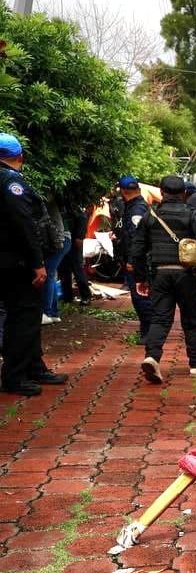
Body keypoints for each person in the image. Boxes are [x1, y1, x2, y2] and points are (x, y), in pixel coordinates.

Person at [132, 175, 196, 383]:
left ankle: (152, 357)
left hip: (160, 273)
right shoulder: (192, 214)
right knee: (191, 320)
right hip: (187, 275)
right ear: (184, 193)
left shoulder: (150, 215)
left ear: (162, 192)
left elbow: (137, 249)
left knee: (160, 318)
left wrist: (140, 278)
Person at [0, 133, 69, 396]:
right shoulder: (10, 183)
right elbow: (24, 225)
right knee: (23, 317)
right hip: (16, 263)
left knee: (26, 316)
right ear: (19, 157)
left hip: (9, 260)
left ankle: (33, 366)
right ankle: (15, 376)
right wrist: (37, 263)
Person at [116, 175, 153, 341]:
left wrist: (131, 260)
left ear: (123, 191)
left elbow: (137, 238)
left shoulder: (136, 209)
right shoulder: (135, 206)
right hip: (139, 259)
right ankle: (147, 330)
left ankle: (148, 333)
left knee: (141, 296)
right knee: (141, 296)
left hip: (138, 262)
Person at [40, 198, 70, 324]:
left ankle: (46, 312)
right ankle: (53, 313)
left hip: (59, 240)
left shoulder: (46, 198)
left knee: (48, 274)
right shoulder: (50, 198)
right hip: (63, 238)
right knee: (50, 274)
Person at [59, 205, 93, 306]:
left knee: (77, 269)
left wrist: (80, 236)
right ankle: (67, 296)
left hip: (74, 239)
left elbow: (82, 218)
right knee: (64, 270)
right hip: (63, 239)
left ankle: (86, 296)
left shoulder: (74, 204)